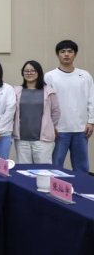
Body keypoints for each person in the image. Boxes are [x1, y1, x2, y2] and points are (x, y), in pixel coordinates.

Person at [44, 40, 94, 173]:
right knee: (55, 166)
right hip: (59, 130)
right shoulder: (50, 76)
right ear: (57, 54)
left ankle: (82, 186)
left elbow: (91, 99)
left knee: (81, 168)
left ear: (75, 54)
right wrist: (50, 125)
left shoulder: (85, 76)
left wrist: (91, 121)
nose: (66, 54)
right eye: (63, 51)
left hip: (81, 129)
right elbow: (46, 103)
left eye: (70, 51)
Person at [13, 60, 61, 164]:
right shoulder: (16, 91)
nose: (29, 73)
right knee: (24, 170)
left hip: (43, 140)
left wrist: (49, 126)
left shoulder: (49, 91)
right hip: (21, 139)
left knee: (43, 170)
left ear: (39, 72)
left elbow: (55, 113)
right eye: (26, 71)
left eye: (32, 70)